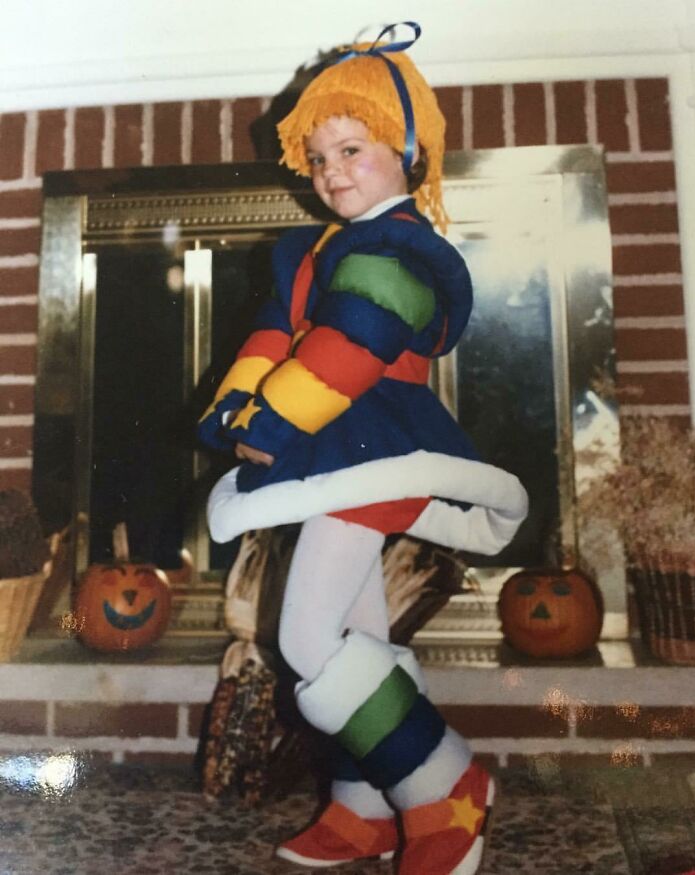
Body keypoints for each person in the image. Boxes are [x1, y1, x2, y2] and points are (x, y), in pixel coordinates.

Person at [198, 22, 528, 875]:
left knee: (308, 636)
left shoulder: (400, 247)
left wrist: (268, 425)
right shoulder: (313, 249)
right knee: (354, 623)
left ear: (407, 151)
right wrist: (234, 410)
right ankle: (365, 802)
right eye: (318, 159)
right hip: (326, 440)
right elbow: (277, 332)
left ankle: (441, 783)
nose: (333, 172)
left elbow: (349, 348)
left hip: (371, 439)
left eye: (353, 148)